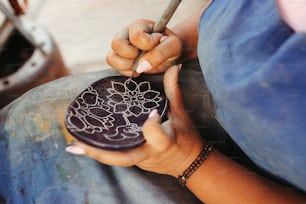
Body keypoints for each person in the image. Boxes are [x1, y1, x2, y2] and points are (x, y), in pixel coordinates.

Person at [0, 0, 306, 203]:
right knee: (29, 122)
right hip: (226, 101)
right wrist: (182, 42)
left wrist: (188, 162)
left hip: (250, 188)